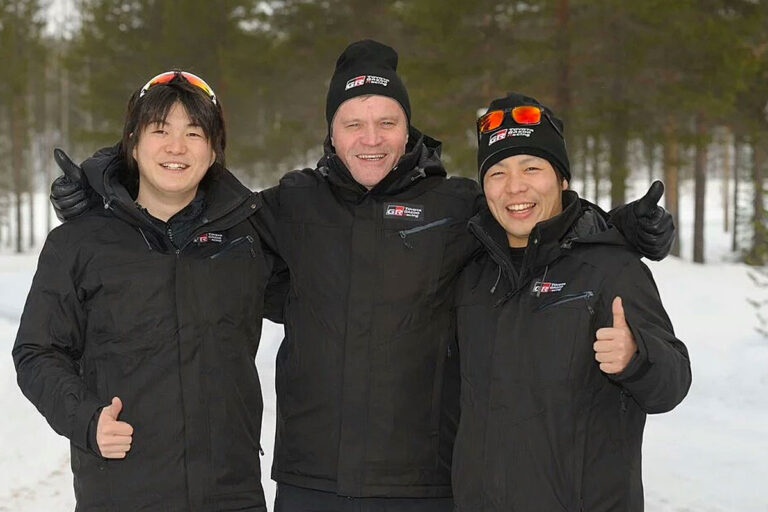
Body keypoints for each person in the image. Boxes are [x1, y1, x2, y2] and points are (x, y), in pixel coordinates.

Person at [50, 41, 674, 511]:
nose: (370, 138)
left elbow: (530, 206)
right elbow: (193, 204)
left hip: (422, 483)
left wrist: (617, 225)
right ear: (331, 130)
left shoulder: (455, 205)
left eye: (386, 122)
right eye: (353, 122)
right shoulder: (290, 205)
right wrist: (108, 189)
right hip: (309, 480)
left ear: (408, 130)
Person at [14, 71, 281, 511]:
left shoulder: (247, 240)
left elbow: (327, 292)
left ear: (214, 150)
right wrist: (85, 419)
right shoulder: (79, 243)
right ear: (133, 143)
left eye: (194, 133)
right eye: (161, 131)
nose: (176, 147)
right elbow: (37, 351)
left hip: (231, 493)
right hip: (121, 492)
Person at [451, 92, 691, 511]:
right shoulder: (473, 274)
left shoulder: (610, 269)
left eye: (532, 168)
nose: (515, 187)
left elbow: (671, 385)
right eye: (497, 173)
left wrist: (637, 357)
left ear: (562, 180)